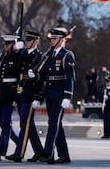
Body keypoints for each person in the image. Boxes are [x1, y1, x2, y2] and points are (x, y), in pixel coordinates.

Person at [5, 31, 45, 163]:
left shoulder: (39, 56)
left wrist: (38, 97)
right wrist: (15, 48)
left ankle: (19, 153)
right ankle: (40, 152)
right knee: (29, 125)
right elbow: (10, 61)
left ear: (36, 41)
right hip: (21, 93)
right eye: (26, 40)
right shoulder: (22, 54)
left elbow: (41, 80)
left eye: (29, 40)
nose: (27, 42)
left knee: (24, 123)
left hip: (31, 95)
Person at [38, 26, 76, 164]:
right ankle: (64, 155)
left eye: (54, 38)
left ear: (61, 40)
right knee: (56, 124)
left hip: (60, 95)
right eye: (51, 38)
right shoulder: (50, 55)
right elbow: (44, 74)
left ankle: (48, 153)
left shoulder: (67, 55)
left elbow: (70, 77)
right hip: (49, 93)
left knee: (53, 124)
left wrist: (67, 96)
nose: (52, 41)